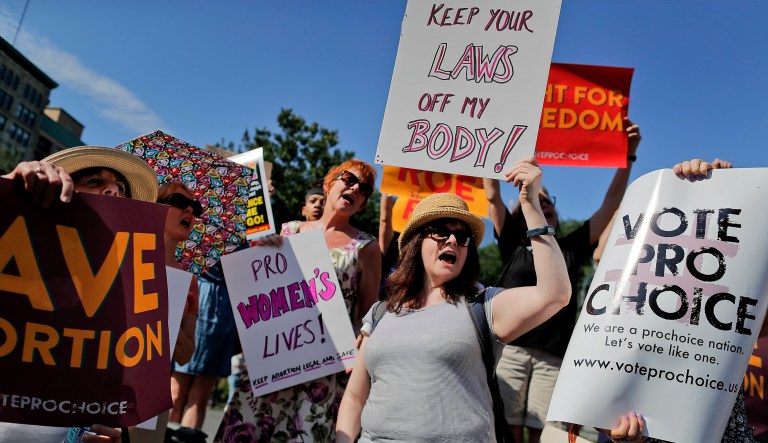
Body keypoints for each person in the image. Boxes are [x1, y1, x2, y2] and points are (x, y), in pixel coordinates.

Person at [335, 159, 573, 442]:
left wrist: (532, 205)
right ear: (415, 243)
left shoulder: (483, 306)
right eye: (440, 231)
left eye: (462, 236)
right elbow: (354, 396)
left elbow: (555, 294)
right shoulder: (380, 313)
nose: (452, 240)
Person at [483, 119, 642, 443]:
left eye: (548, 201)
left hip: (554, 358)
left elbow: (610, 206)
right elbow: (491, 194)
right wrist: (488, 129)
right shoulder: (512, 241)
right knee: (505, 429)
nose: (543, 205)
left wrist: (628, 157)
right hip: (510, 349)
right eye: (535, 200)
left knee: (547, 433)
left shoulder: (569, 248)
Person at [0, 145, 159, 442]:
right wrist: (10, 191)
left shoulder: (126, 296)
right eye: (96, 182)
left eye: (121, 188)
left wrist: (110, 435)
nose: (114, 192)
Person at [217, 159, 381, 442]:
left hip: (324, 373)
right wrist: (264, 249)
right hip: (273, 363)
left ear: (363, 203)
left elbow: (367, 318)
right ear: (329, 184)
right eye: (349, 179)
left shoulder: (366, 246)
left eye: (364, 188)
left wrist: (355, 351)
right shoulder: (288, 231)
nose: (355, 188)